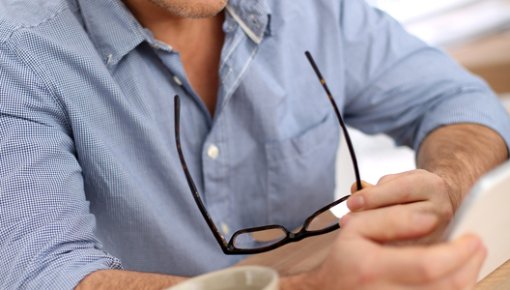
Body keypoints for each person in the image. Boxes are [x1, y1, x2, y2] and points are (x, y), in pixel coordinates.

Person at [0, 0, 508, 289]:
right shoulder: (19, 50)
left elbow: (456, 100)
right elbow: (45, 276)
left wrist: (448, 182)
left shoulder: (312, 8)